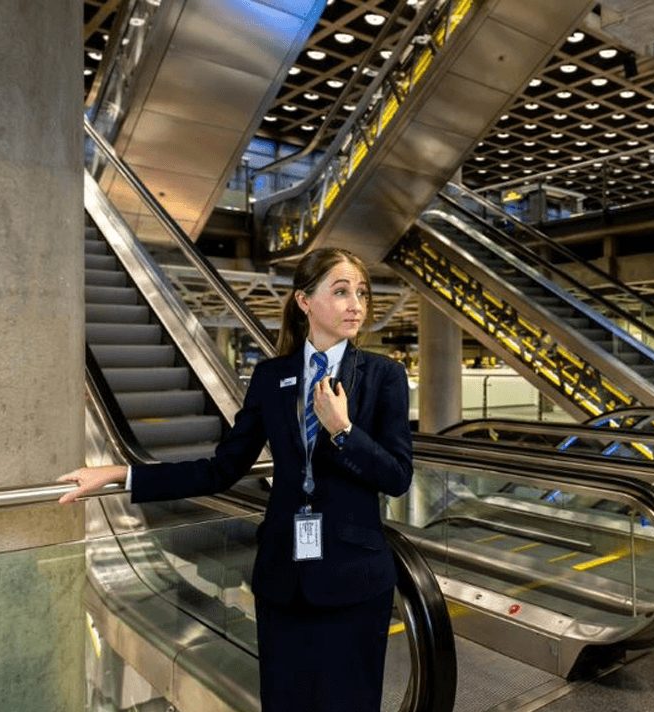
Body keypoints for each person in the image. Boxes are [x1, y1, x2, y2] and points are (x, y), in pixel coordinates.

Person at [58, 248, 413, 712]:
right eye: (341, 291)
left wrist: (343, 431)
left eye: (361, 293)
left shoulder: (383, 376)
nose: (357, 305)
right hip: (282, 579)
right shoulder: (272, 377)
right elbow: (221, 469)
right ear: (304, 302)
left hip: (353, 582)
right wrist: (123, 475)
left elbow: (398, 476)